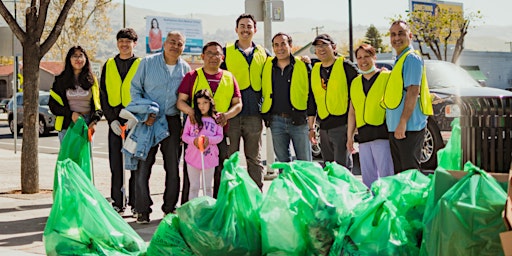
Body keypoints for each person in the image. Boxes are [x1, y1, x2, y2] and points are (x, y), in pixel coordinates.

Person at [130, 31, 191, 224]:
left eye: (179, 44)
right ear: (164, 43)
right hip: (148, 121)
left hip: (172, 121)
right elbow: (135, 89)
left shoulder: (186, 69)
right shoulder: (147, 63)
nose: (175, 46)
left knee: (173, 168)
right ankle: (142, 210)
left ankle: (169, 208)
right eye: (172, 42)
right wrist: (145, 113)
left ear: (183, 47)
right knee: (143, 167)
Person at [177, 41, 242, 199]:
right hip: (195, 136)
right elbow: (180, 101)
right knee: (191, 177)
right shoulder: (192, 76)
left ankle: (216, 208)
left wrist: (226, 115)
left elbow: (238, 104)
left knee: (219, 173)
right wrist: (191, 112)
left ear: (222, 57)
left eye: (217, 54)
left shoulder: (229, 77)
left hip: (218, 135)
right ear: (203, 56)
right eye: (210, 53)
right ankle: (188, 208)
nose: (214, 57)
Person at [221, 13, 271, 189]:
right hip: (231, 115)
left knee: (254, 158)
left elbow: (282, 62)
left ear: (255, 30)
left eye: (249, 26)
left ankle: (256, 194)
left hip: (254, 115)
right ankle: (230, 195)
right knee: (230, 158)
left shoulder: (263, 53)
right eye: (242, 26)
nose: (245, 29)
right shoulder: (225, 52)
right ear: (236, 29)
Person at [382, 20, 433, 173]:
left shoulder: (411, 59)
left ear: (410, 36)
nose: (396, 38)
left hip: (408, 128)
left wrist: (402, 122)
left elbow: (412, 92)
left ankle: (413, 198)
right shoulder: (400, 59)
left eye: (401, 33)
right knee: (400, 174)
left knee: (409, 174)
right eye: (393, 34)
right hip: (397, 127)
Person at [99, 28, 140, 216]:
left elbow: (145, 92)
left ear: (134, 44)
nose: (124, 45)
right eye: (121, 41)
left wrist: (136, 118)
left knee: (134, 164)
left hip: (134, 120)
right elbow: (103, 94)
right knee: (116, 164)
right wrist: (111, 120)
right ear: (117, 43)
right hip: (115, 119)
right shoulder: (108, 64)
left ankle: (135, 202)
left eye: (128, 42)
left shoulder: (141, 64)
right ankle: (117, 201)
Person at [260, 32, 315, 163]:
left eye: (283, 44)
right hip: (276, 121)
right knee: (283, 164)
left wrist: (311, 123)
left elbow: (311, 95)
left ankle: (304, 184)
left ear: (290, 45)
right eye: (276, 45)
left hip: (299, 120)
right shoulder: (267, 65)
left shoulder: (303, 65)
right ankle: (285, 184)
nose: (280, 48)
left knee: (305, 163)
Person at [309, 34, 359, 169]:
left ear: (334, 47)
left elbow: (359, 91)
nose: (321, 49)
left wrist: (354, 127)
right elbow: (312, 101)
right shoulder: (315, 70)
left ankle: (346, 191)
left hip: (342, 125)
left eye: (325, 45)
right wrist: (311, 127)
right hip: (324, 127)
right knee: (329, 168)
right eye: (318, 46)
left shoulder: (345, 66)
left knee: (342, 169)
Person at [347, 44, 394, 187]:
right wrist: (349, 137)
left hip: (382, 135)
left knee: (387, 178)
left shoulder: (386, 77)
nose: (363, 61)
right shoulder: (355, 82)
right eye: (359, 57)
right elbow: (352, 111)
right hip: (363, 137)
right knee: (368, 180)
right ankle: (373, 206)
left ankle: (388, 205)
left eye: (366, 56)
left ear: (374, 57)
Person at [49, 46, 102, 143]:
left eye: (81, 56)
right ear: (69, 59)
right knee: (68, 158)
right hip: (67, 124)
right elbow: (53, 106)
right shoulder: (60, 80)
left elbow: (99, 104)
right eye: (74, 56)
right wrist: (71, 114)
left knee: (85, 157)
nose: (78, 59)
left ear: (86, 59)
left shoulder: (92, 80)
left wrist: (94, 122)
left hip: (87, 124)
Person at [181, 89, 223, 199]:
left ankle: (207, 210)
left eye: (205, 103)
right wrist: (193, 140)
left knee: (208, 187)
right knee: (194, 186)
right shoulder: (192, 118)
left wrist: (209, 140)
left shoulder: (216, 118)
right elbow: (185, 136)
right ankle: (193, 211)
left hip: (209, 158)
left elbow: (220, 136)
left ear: (210, 103)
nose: (202, 106)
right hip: (193, 158)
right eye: (199, 103)